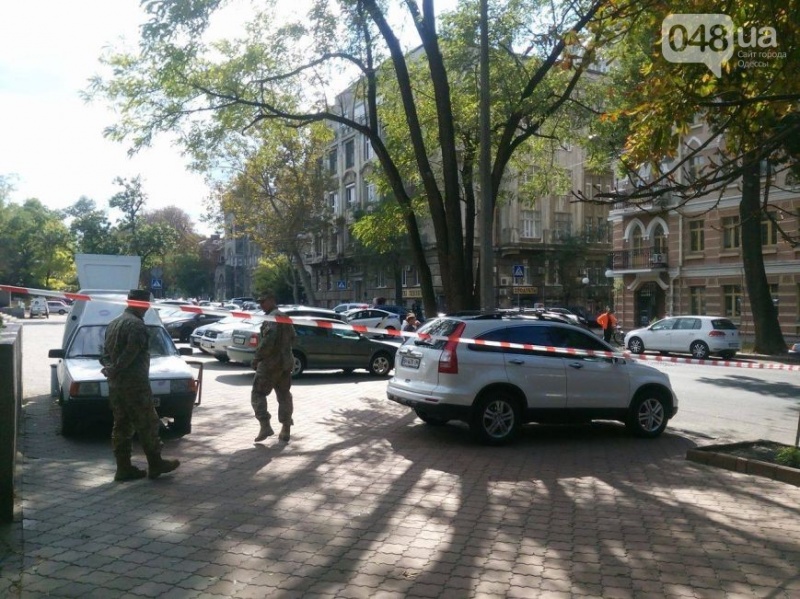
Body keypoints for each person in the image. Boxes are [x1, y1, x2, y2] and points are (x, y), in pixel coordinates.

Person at [101, 289, 180, 482]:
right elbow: (131, 353)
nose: (147, 308)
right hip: (134, 384)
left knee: (121, 425)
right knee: (148, 422)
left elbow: (104, 353)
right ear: (143, 304)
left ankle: (123, 468)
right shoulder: (136, 326)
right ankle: (155, 463)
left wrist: (109, 368)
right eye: (146, 304)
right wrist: (117, 368)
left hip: (116, 385)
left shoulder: (114, 323)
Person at [252, 290, 297, 443]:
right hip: (285, 364)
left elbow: (267, 342)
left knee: (257, 393)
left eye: (263, 301)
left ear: (272, 300)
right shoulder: (284, 317)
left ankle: (265, 425)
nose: (261, 305)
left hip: (270, 364)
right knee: (284, 396)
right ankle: (286, 429)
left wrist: (257, 358)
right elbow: (293, 337)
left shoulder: (272, 317)